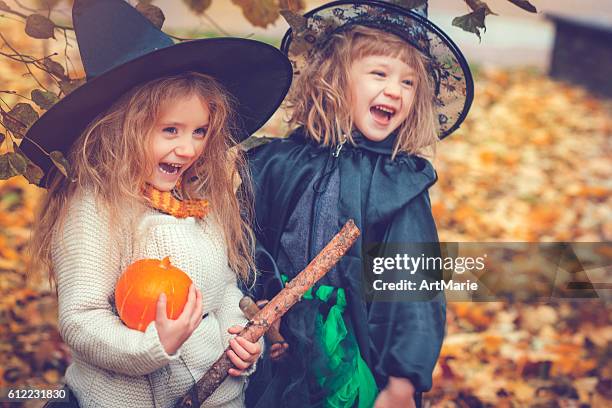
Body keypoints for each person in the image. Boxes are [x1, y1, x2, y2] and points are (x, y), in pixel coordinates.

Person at [24, 1, 292, 407]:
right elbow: (82, 319)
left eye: (200, 131)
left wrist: (240, 342)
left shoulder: (198, 202)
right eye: (171, 130)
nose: (188, 149)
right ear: (121, 131)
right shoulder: (95, 208)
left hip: (216, 397)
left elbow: (221, 295)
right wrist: (153, 346)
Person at [245, 1, 473, 407]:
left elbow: (413, 287)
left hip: (356, 357)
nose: (394, 90)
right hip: (276, 350)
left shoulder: (396, 183)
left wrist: (403, 379)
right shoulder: (280, 162)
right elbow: (249, 245)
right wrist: (258, 302)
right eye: (379, 73)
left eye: (408, 82)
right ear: (333, 78)